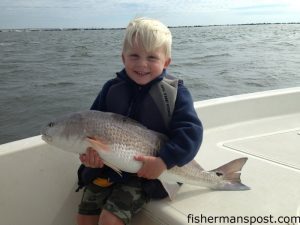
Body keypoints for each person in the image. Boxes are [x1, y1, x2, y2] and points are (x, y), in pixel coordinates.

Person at [76, 17, 203, 225]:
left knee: (109, 220)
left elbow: (191, 133)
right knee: (84, 217)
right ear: (123, 58)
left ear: (166, 62)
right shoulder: (110, 89)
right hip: (109, 169)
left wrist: (164, 161)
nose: (142, 64)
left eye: (152, 57)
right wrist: (90, 155)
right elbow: (91, 126)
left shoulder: (175, 93)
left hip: (150, 175)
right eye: (134, 55)